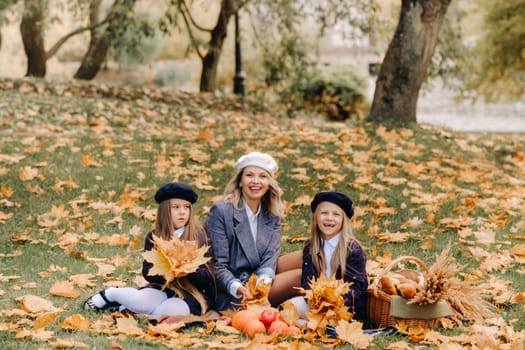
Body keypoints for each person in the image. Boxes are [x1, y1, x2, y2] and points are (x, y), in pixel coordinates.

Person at [82, 182, 216, 317]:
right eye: (175, 207)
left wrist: (188, 271)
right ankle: (110, 294)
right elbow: (147, 272)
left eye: (186, 207)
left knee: (164, 314)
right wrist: (166, 272)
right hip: (164, 288)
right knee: (142, 301)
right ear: (165, 211)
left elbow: (210, 277)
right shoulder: (154, 236)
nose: (182, 212)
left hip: (195, 294)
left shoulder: (200, 236)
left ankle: (124, 309)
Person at [205, 151, 302, 311]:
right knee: (298, 276)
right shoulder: (222, 211)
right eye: (249, 175)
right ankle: (285, 307)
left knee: (309, 257)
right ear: (240, 181)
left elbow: (271, 255)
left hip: (259, 277)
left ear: (269, 182)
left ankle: (342, 299)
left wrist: (264, 280)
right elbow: (217, 264)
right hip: (233, 288)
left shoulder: (272, 212)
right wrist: (236, 286)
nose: (256, 181)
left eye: (263, 176)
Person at [287, 191, 368, 322]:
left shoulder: (352, 249)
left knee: (331, 318)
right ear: (316, 218)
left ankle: (320, 325)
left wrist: (336, 302)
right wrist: (313, 301)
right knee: (289, 309)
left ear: (343, 220)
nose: (329, 218)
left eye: (336, 214)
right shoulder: (311, 247)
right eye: (324, 213)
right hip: (316, 303)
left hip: (344, 306)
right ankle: (313, 324)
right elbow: (307, 281)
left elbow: (357, 288)